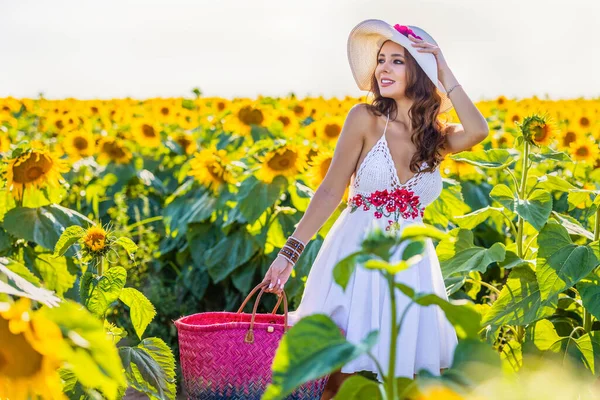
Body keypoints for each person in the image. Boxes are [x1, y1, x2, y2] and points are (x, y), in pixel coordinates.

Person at [261, 19, 490, 399]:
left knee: (406, 370)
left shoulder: (438, 135)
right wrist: (291, 252)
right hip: (355, 252)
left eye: (396, 61)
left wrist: (444, 69)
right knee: (335, 368)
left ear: (419, 70)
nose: (382, 69)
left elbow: (479, 130)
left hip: (411, 263)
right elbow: (332, 189)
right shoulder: (364, 119)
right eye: (381, 60)